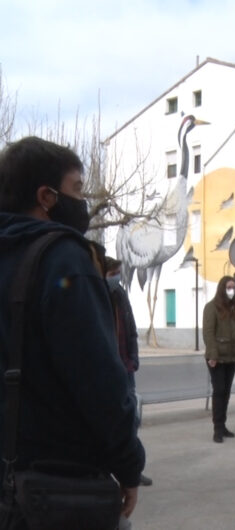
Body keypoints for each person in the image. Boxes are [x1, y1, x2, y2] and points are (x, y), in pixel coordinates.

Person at [0, 136, 145, 524]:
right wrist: (129, 466)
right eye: (77, 188)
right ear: (46, 196)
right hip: (58, 483)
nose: (82, 200)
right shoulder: (64, 260)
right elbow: (100, 382)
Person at [105, 257, 152, 487]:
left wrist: (133, 359)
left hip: (126, 367)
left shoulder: (121, 296)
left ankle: (132, 469)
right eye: (113, 272)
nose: (117, 277)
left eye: (118, 272)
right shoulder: (96, 296)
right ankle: (110, 471)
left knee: (131, 419)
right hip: (108, 369)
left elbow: (131, 328)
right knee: (112, 420)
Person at [203, 275, 235, 443]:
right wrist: (213, 355)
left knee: (226, 392)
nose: (231, 290)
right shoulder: (211, 307)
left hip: (232, 356)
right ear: (221, 289)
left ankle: (223, 425)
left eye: (233, 287)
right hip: (217, 357)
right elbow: (208, 332)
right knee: (218, 392)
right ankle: (217, 429)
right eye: (228, 287)